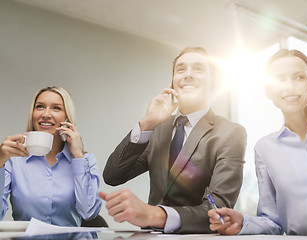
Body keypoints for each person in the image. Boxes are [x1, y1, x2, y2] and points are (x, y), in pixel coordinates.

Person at [100, 47, 247, 233]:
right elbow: (112, 176)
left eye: (198, 69)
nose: (188, 75)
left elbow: (217, 209)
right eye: (181, 69)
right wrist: (146, 124)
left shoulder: (230, 133)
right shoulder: (157, 129)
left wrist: (153, 214)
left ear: (213, 83)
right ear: (173, 83)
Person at [208, 49, 307, 237]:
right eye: (279, 79)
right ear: (268, 91)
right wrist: (243, 222)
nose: (289, 87)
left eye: (299, 77)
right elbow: (273, 222)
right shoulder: (264, 149)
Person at [0, 86, 102, 226]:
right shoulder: (13, 161)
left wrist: (78, 156)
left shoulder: (85, 160)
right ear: (33, 114)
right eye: (40, 107)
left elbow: (89, 212)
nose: (46, 114)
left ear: (67, 117)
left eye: (56, 108)